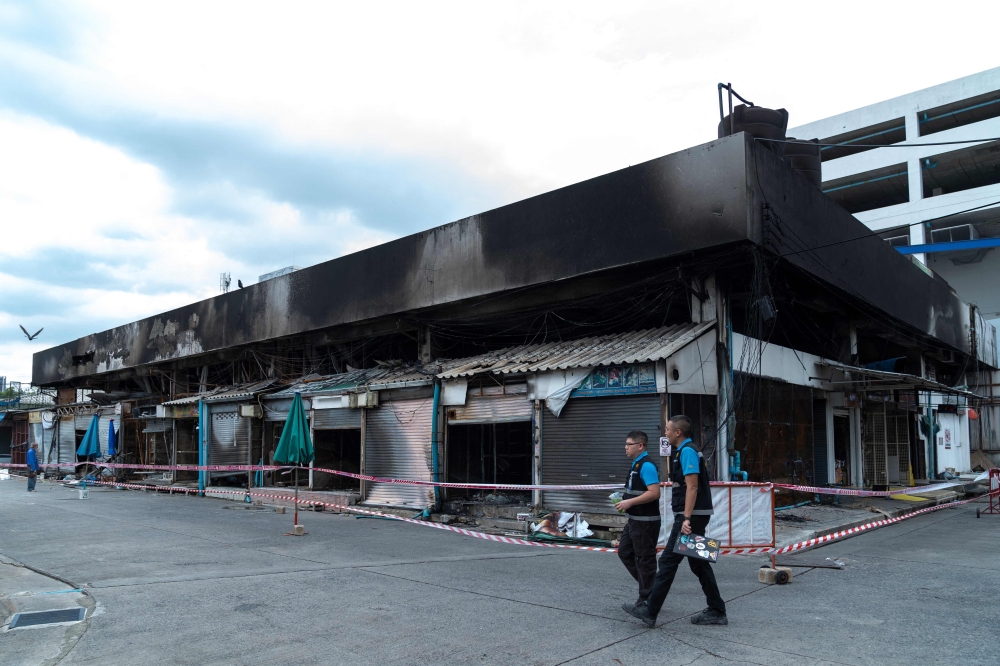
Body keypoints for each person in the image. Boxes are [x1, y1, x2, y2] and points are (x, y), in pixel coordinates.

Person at [625, 415, 727, 627]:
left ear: (678, 432)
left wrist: (686, 518)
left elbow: (692, 487)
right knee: (699, 563)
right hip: (694, 514)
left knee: (668, 562)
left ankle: (650, 611)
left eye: (668, 429)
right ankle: (717, 609)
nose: (665, 433)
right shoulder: (682, 451)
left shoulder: (688, 451)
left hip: (692, 516)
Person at [616, 430, 661, 614]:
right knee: (625, 552)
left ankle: (646, 600)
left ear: (640, 446)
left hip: (645, 522)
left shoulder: (647, 465)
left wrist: (630, 502)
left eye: (629, 444)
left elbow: (654, 492)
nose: (625, 448)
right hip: (634, 520)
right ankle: (651, 590)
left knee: (645, 560)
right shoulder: (636, 464)